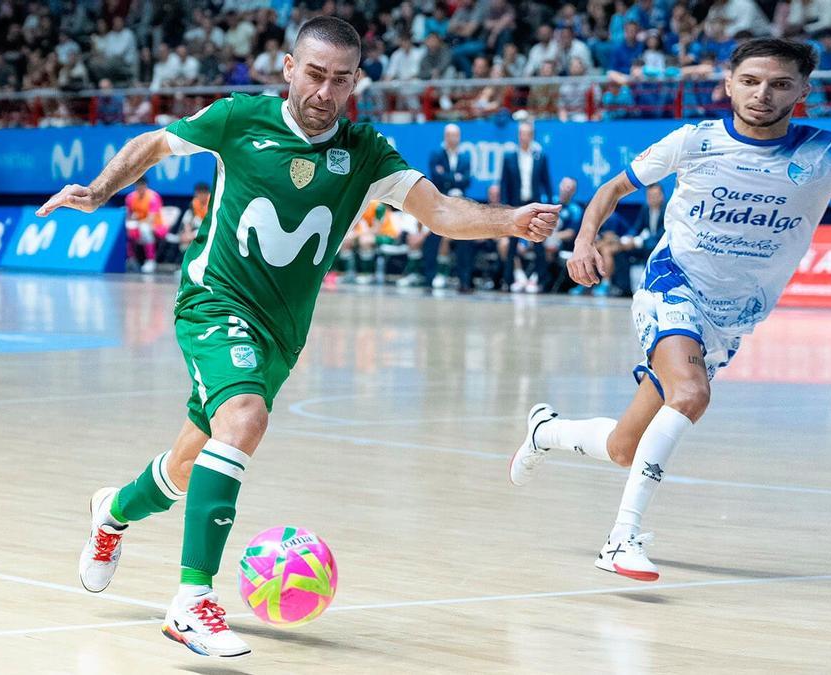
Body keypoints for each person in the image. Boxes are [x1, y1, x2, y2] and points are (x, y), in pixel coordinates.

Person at [38, 16, 557, 659]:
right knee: (245, 419)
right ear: (289, 69)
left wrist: (511, 220)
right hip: (213, 302)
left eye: (340, 80)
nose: (324, 91)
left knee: (182, 468)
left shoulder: (366, 152)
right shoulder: (239, 118)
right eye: (314, 75)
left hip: (281, 336)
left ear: (356, 83)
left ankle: (111, 511)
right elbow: (155, 144)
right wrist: (97, 192)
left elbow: (441, 210)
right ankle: (191, 600)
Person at [509, 38, 831, 582]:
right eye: (752, 81)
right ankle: (621, 540)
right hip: (673, 286)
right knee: (691, 394)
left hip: (734, 318)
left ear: (804, 91)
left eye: (781, 84)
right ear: (729, 84)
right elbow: (612, 189)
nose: (764, 94)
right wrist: (583, 242)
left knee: (624, 448)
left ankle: (544, 432)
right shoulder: (694, 140)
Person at [499, 121, 553, 293]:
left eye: (528, 133)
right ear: (518, 135)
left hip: (534, 204)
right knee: (512, 243)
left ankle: (540, 279)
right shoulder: (509, 156)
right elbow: (504, 183)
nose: (525, 136)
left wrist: (549, 205)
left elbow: (546, 182)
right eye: (522, 133)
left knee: (538, 243)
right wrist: (504, 207)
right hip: (515, 205)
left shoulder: (540, 156)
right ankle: (509, 279)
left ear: (532, 135)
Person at [422, 124, 473, 291]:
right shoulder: (436, 154)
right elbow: (436, 176)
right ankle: (428, 279)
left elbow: (466, 180)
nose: (453, 138)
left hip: (459, 204)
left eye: (456, 135)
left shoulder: (465, 157)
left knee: (464, 241)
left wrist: (448, 177)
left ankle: (464, 281)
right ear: (445, 136)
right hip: (440, 202)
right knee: (433, 240)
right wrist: (455, 178)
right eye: (450, 135)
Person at [124, 178, 165, 273]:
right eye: (137, 186)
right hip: (138, 224)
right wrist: (132, 223)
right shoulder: (130, 198)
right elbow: (128, 216)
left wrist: (137, 223)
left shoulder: (153, 197)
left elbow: (151, 219)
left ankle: (150, 260)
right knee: (126, 229)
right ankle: (131, 259)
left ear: (146, 186)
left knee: (145, 229)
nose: (140, 188)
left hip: (156, 225)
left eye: (142, 186)